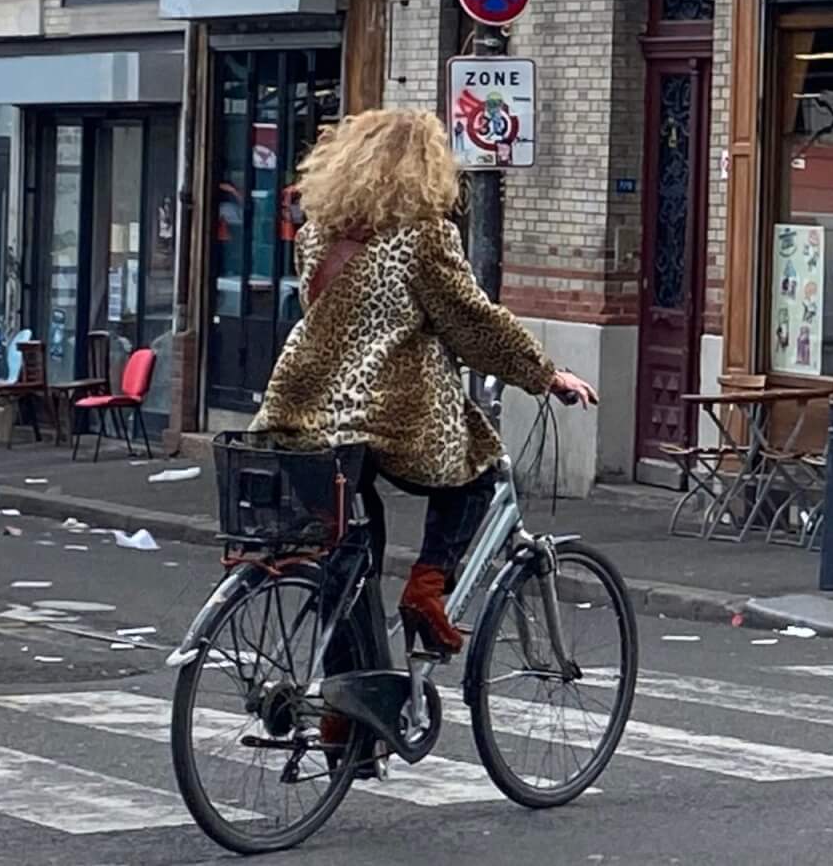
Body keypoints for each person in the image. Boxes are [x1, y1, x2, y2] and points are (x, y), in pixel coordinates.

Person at [251, 108, 596, 658]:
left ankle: (350, 717)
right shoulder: (424, 238)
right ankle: (427, 587)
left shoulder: (317, 235)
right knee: (475, 475)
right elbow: (472, 321)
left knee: (350, 558)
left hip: (300, 411)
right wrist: (545, 374)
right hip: (386, 416)